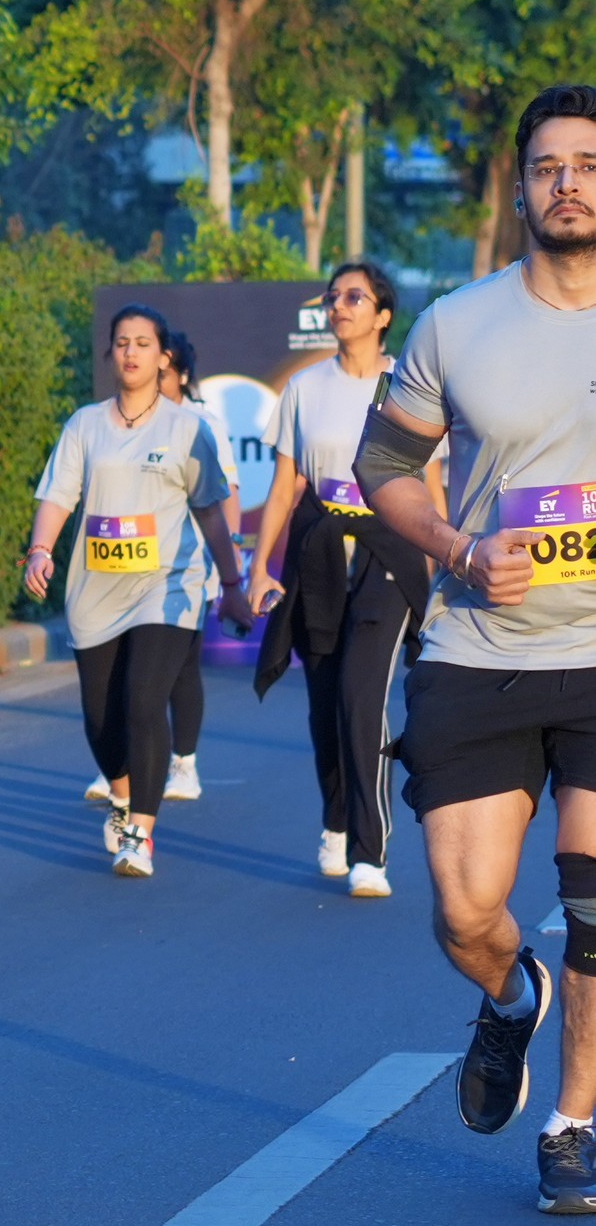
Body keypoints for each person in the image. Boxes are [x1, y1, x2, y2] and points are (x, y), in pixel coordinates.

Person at [355, 84, 596, 1213]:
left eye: (587, 164)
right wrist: (458, 546)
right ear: (519, 189)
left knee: (593, 900)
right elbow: (383, 466)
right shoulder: (456, 324)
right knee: (463, 909)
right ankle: (510, 998)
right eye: (548, 166)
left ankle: (573, 1123)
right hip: (479, 643)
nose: (569, 183)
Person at [24, 304, 250, 877]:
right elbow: (58, 496)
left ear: (163, 357)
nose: (131, 352)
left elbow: (211, 511)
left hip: (165, 586)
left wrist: (231, 584)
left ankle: (140, 835)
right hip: (96, 589)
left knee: (144, 699)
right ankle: (122, 797)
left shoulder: (187, 428)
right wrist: (40, 549)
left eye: (143, 343)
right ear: (111, 353)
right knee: (100, 718)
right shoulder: (85, 425)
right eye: (122, 342)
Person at [247, 260, 436, 899]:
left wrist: (439, 569)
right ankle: (335, 818)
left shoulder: (407, 385)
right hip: (321, 552)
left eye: (354, 297)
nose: (339, 306)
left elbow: (430, 485)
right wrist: (259, 568)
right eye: (333, 296)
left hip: (390, 552)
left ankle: (369, 851)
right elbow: (285, 487)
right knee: (326, 702)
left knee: (362, 696)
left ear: (383, 315)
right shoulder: (304, 386)